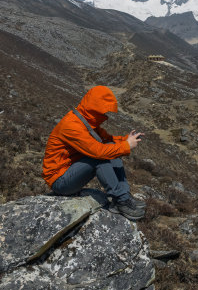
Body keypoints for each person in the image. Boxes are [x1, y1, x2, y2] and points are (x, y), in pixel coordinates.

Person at [42, 85, 145, 220]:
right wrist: (126, 145)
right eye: (103, 111)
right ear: (94, 108)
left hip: (71, 171)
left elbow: (107, 140)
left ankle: (124, 196)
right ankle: (121, 200)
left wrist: (125, 139)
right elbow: (98, 152)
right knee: (99, 157)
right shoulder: (72, 126)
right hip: (60, 181)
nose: (105, 115)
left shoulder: (87, 122)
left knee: (111, 147)